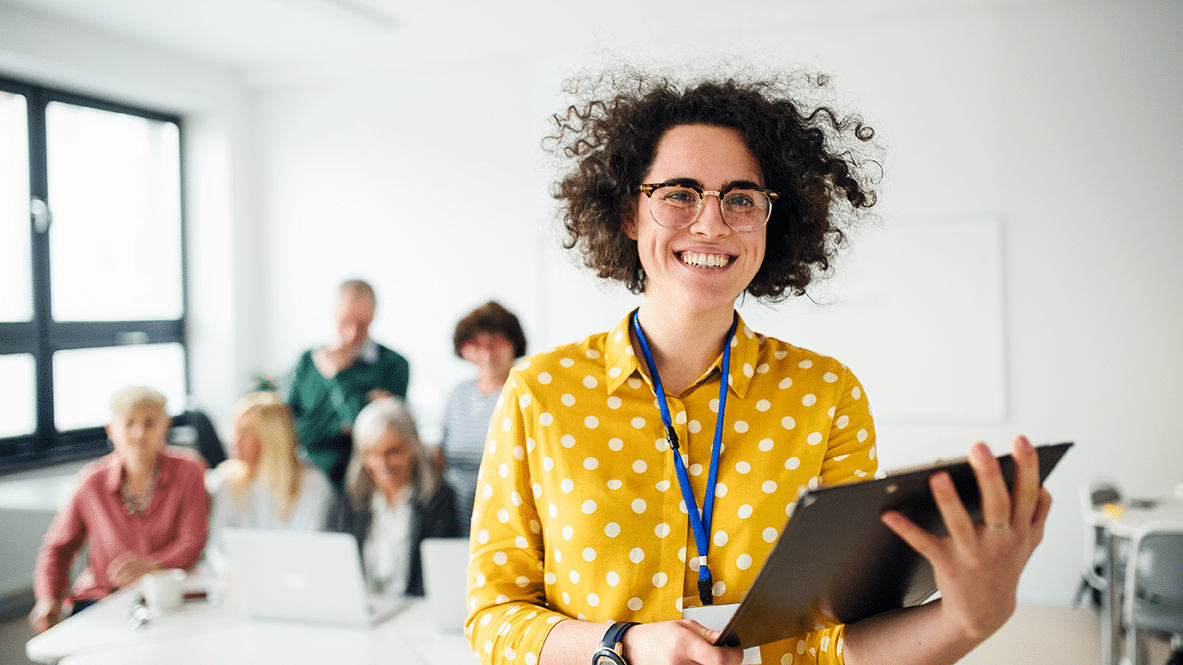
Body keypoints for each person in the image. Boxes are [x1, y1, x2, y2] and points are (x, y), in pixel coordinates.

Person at [466, 69, 1053, 665]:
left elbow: (835, 644)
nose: (712, 223)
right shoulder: (540, 391)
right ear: (627, 214)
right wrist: (625, 646)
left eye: (742, 198)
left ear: (773, 221)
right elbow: (493, 618)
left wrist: (966, 619)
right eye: (678, 193)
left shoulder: (825, 394)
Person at [29, 386, 209, 633]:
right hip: (102, 598)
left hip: (166, 597)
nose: (139, 433)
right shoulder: (91, 482)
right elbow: (58, 548)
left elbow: (192, 542)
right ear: (111, 429)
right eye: (129, 423)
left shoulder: (191, 470)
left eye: (149, 423)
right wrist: (47, 599)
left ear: (165, 426)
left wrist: (151, 565)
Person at [329, 396, 460, 598]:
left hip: (416, 612)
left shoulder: (438, 500)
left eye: (393, 452)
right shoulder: (350, 501)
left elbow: (438, 578)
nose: (382, 463)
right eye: (371, 453)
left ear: (413, 448)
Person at [286, 279, 410, 490]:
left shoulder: (393, 365)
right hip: (307, 479)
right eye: (344, 322)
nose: (352, 333)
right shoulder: (308, 361)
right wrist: (344, 425)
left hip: (362, 484)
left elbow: (373, 434)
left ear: (372, 318)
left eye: (361, 325)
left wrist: (339, 376)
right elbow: (285, 426)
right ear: (332, 315)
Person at [205, 392, 335, 574]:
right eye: (235, 431)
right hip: (240, 585)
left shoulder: (313, 485)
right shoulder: (228, 482)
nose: (234, 440)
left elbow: (310, 551)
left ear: (271, 438)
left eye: (244, 432)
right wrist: (230, 571)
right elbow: (217, 550)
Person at [439, 301, 527, 535]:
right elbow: (442, 455)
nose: (486, 353)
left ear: (514, 344)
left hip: (507, 515)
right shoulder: (458, 393)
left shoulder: (524, 390)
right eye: (476, 344)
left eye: (495, 343)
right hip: (456, 514)